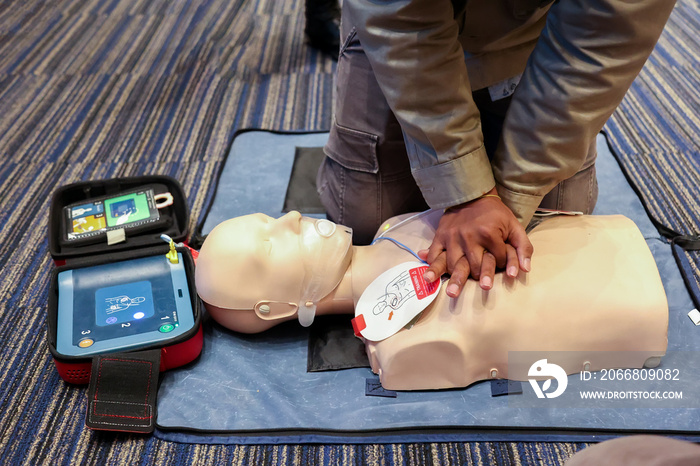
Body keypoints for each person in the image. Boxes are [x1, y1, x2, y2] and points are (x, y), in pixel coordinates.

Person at [316, 0, 676, 298]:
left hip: (533, 28)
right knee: (366, 219)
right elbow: (401, 18)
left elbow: (603, 35)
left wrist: (508, 197)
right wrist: (468, 191)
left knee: (561, 225)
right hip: (398, 29)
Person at [195, 210, 668, 390]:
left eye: (270, 218)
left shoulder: (390, 230)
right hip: (620, 304)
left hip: (596, 249)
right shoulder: (396, 346)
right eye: (270, 244)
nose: (292, 217)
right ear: (272, 309)